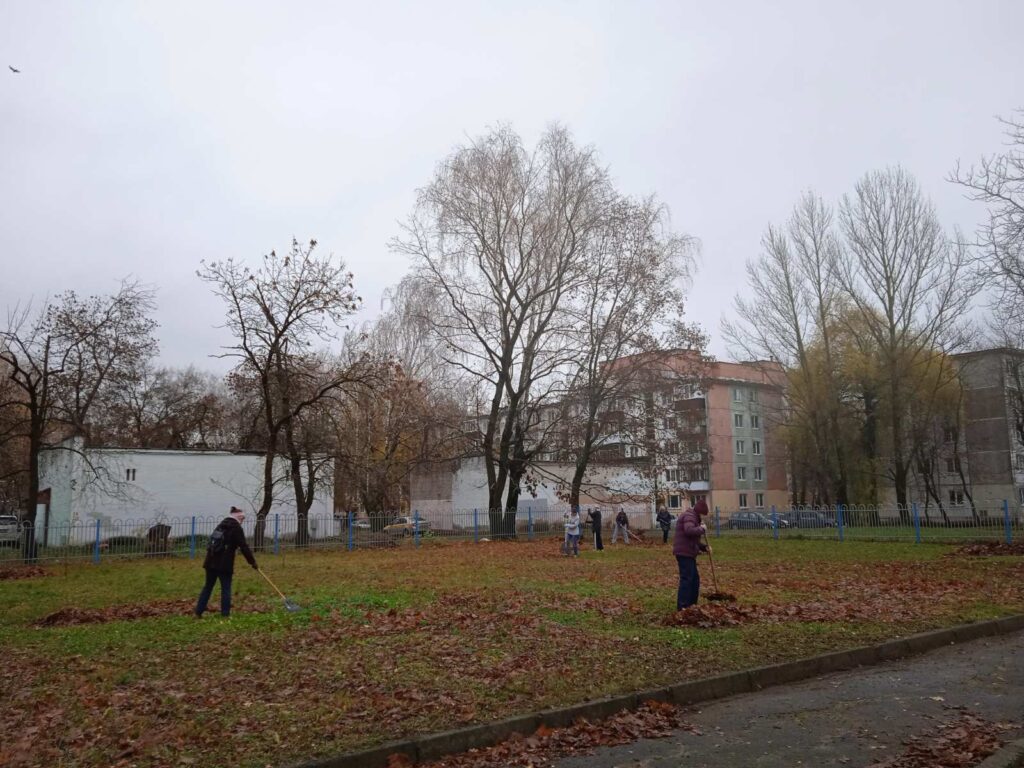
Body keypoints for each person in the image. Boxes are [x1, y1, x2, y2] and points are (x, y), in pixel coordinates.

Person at [194, 506, 258, 618]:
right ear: (239, 518)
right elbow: (243, 546)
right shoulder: (236, 528)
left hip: (210, 561)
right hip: (224, 564)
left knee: (208, 587)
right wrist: (252, 562)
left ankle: (198, 612)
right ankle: (225, 614)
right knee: (226, 588)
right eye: (242, 519)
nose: (242, 521)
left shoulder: (221, 525)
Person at [673, 499, 710, 610]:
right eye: (702, 514)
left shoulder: (693, 516)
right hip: (684, 552)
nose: (702, 517)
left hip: (688, 552)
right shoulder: (690, 516)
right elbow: (689, 531)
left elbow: (693, 539)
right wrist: (702, 529)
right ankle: (683, 607)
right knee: (687, 579)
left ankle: (692, 606)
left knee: (694, 580)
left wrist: (704, 547)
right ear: (699, 511)